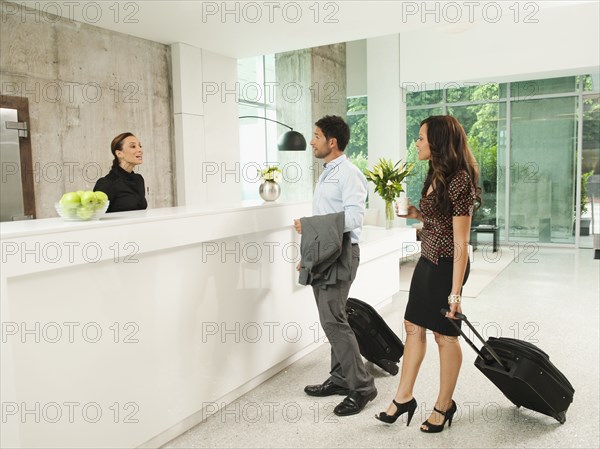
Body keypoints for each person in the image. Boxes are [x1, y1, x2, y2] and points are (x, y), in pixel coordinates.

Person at [375, 115, 480, 432]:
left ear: (436, 141)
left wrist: (455, 294)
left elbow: (461, 241)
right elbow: (438, 218)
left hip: (449, 264)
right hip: (428, 260)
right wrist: (414, 213)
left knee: (445, 335)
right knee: (412, 325)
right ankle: (403, 397)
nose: (417, 143)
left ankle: (444, 405)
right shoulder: (435, 173)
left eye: (421, 137)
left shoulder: (460, 179)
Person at [293, 115, 377, 417]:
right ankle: (341, 378)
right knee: (332, 318)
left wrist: (310, 225)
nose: (312, 141)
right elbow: (330, 216)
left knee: (333, 321)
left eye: (316, 136)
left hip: (342, 255)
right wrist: (311, 250)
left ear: (332, 142)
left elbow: (355, 217)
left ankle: (363, 386)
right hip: (326, 254)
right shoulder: (328, 172)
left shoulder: (349, 174)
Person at [94, 132, 148, 213]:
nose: (140, 150)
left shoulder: (138, 180)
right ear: (119, 153)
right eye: (133, 146)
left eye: (140, 146)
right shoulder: (106, 183)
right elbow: (95, 215)